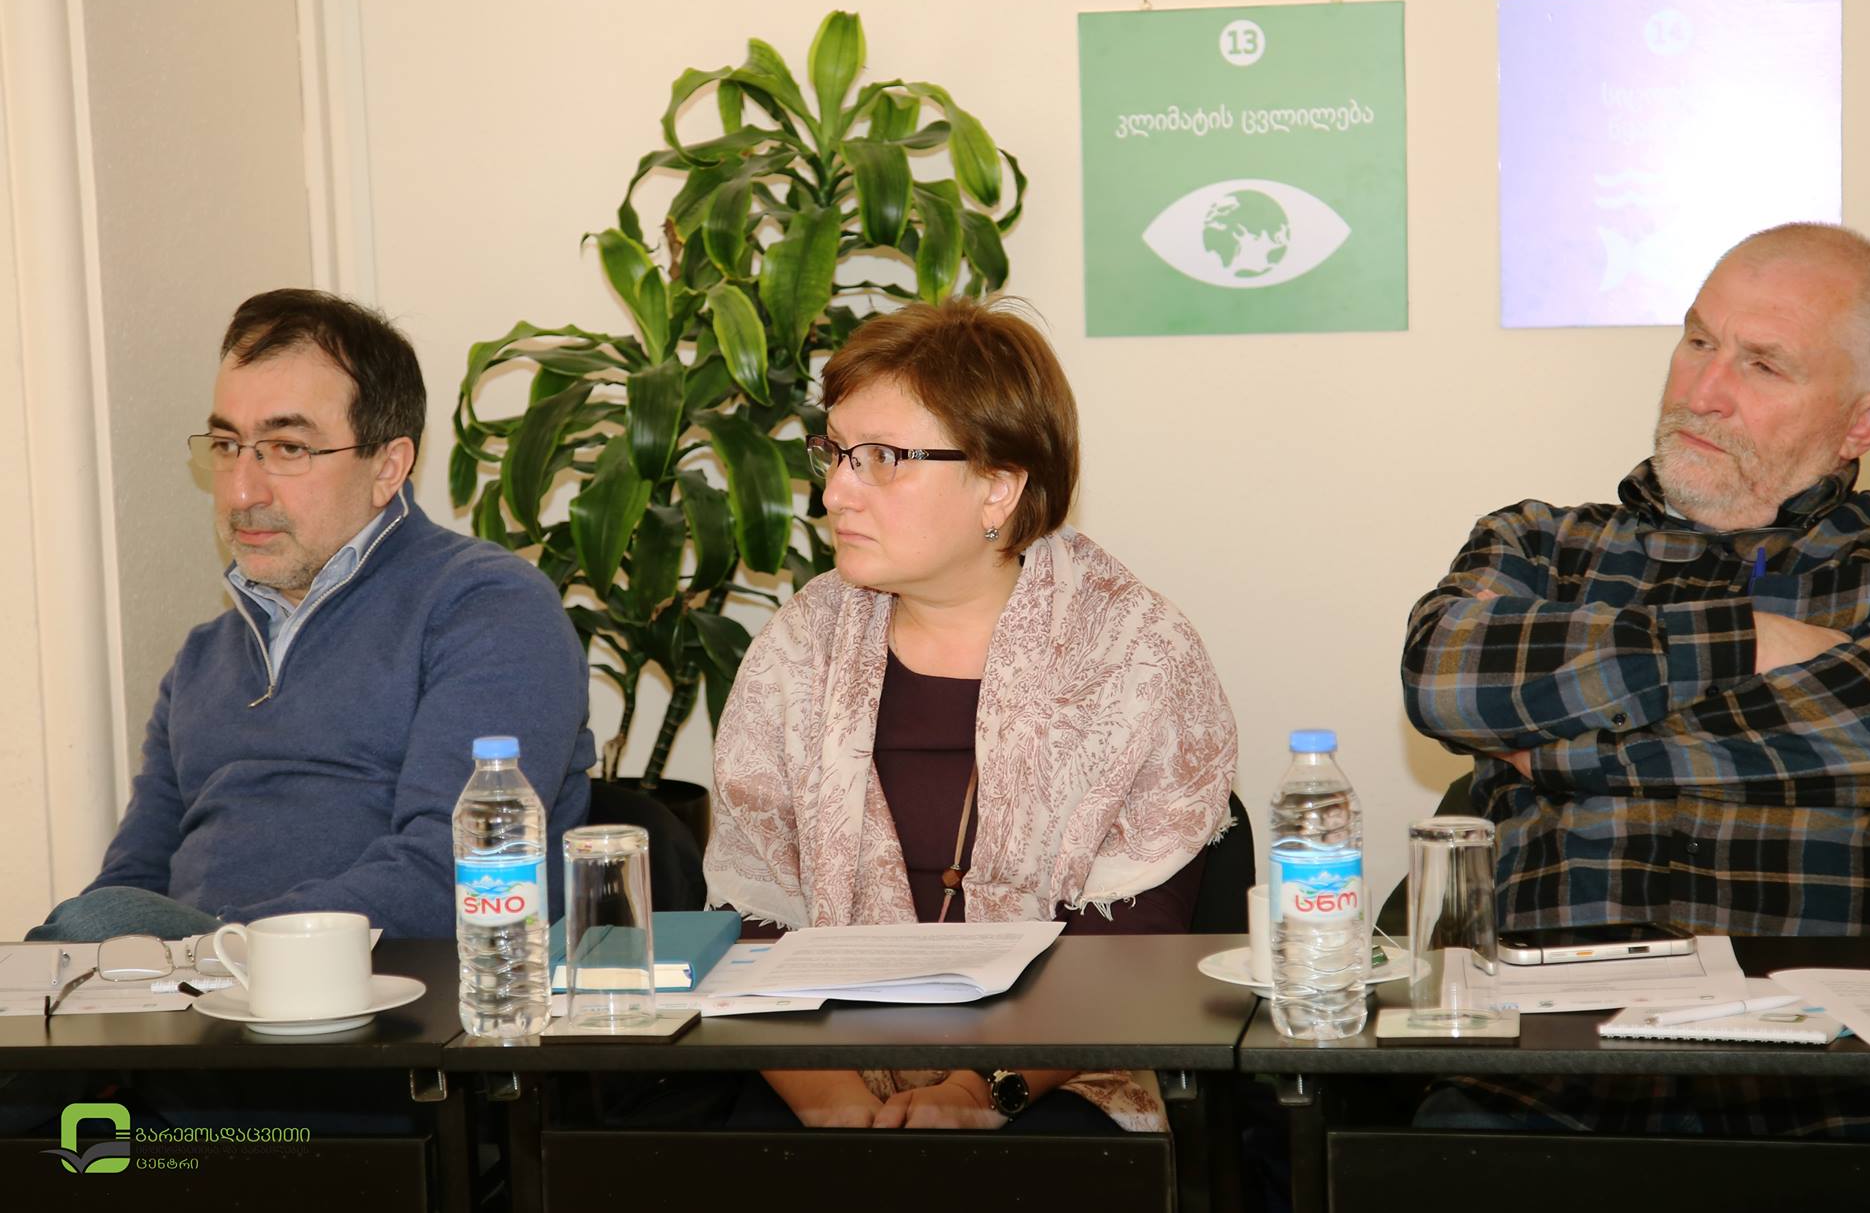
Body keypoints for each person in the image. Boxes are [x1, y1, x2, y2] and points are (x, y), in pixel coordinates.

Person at [1400, 223, 1870, 1138]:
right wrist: (1754, 639)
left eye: (1763, 365)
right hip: (1546, 1071)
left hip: (1857, 1077)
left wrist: (1559, 754)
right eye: (1699, 340)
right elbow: (1443, 675)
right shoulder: (1542, 544)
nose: (1702, 391)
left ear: (1864, 420)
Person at [703, 296, 1238, 1133]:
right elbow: (750, 926)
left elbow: (1131, 951)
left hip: (1055, 1074)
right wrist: (831, 1099)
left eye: (881, 459)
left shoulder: (1135, 656)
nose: (835, 492)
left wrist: (976, 1089)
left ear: (998, 485)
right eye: (835, 453)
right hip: (815, 1063)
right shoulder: (798, 649)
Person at [28, 289, 594, 943]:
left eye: (287, 448)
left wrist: (219, 947)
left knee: (94, 925)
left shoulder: (487, 608)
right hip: (194, 992)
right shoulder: (203, 659)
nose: (242, 490)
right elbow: (132, 880)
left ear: (387, 466)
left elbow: (452, 874)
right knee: (83, 932)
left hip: (378, 992)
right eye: (227, 444)